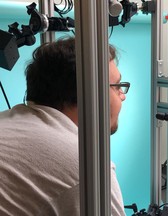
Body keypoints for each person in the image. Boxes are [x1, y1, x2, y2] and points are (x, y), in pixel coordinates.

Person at [0, 37, 129, 216]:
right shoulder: (88, 169)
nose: (122, 96)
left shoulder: (6, 120)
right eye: (117, 87)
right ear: (91, 95)